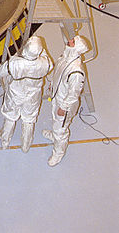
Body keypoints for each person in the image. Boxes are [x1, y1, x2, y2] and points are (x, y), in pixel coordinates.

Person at [0, 35, 52, 152]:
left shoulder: (15, 63)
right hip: (33, 97)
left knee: (10, 117)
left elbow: (0, 71)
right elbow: (47, 62)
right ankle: (26, 145)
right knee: (29, 119)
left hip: (15, 95)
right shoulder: (45, 63)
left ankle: (5, 142)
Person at [43, 35, 89, 167]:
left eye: (73, 42)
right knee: (55, 120)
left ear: (77, 48)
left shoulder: (76, 71)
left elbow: (74, 93)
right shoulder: (65, 57)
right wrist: (52, 84)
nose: (69, 41)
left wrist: (64, 107)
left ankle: (58, 153)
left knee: (61, 128)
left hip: (65, 104)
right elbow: (58, 73)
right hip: (57, 96)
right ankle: (55, 135)